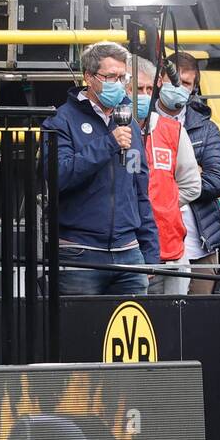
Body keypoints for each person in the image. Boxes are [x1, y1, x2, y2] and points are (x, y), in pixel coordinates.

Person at [41, 40, 158, 295]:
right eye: (110, 76)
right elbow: (58, 175)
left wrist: (149, 249)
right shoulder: (61, 121)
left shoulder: (130, 125)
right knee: (79, 333)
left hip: (129, 252)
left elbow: (140, 190)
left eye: (121, 76)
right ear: (89, 77)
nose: (118, 83)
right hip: (79, 253)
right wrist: (108, 144)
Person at [135, 57, 202, 295]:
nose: (143, 94)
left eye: (148, 89)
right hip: (129, 250)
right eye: (137, 89)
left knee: (176, 324)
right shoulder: (112, 131)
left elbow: (193, 186)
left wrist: (163, 203)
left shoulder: (172, 130)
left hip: (170, 248)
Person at [171, 51, 220, 294]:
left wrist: (166, 181)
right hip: (158, 245)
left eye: (185, 83)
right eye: (174, 82)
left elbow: (217, 181)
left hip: (201, 244)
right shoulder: (143, 123)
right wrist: (191, 172)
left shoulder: (207, 129)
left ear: (194, 87)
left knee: (201, 322)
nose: (179, 88)